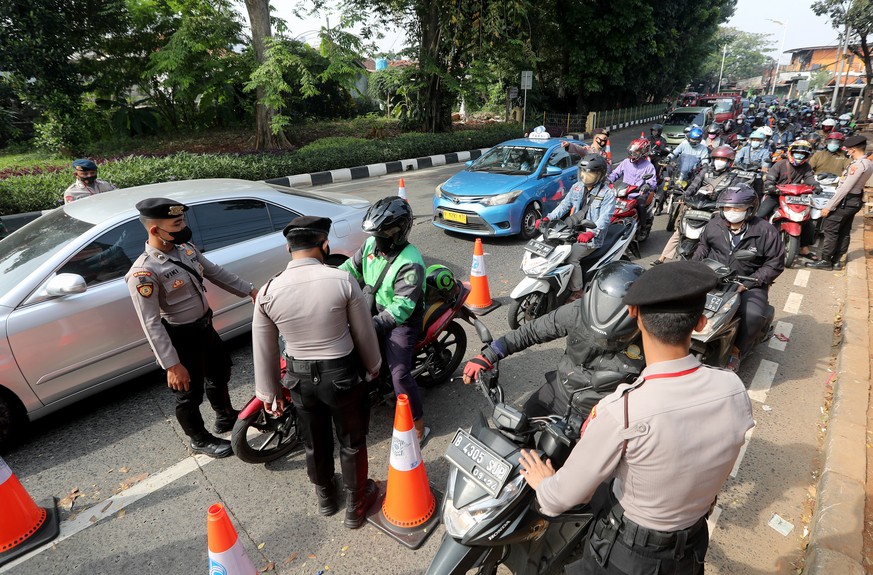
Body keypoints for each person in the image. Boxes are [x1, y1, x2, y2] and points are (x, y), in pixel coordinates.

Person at [517, 260, 755, 575]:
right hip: (693, 545)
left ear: (634, 315)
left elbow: (559, 499)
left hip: (628, 554)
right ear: (699, 323)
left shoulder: (623, 411)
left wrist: (544, 482)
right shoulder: (733, 389)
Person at [251, 216, 382, 528]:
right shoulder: (340, 280)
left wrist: (269, 394)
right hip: (341, 375)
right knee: (352, 440)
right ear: (324, 245)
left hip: (298, 379)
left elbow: (264, 347)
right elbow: (363, 333)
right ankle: (355, 505)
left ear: (288, 248)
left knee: (313, 441)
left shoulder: (269, 290)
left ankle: (325, 497)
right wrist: (374, 367)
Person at [125, 198, 258, 458]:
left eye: (182, 220)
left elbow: (215, 272)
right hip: (180, 338)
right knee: (188, 393)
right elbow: (150, 323)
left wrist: (251, 291)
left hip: (205, 328)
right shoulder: (144, 273)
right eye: (177, 223)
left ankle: (224, 415)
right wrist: (172, 365)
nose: (184, 226)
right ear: (155, 230)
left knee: (220, 372)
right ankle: (199, 439)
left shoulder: (185, 249)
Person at [462, 261, 646, 420]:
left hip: (603, 413)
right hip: (560, 390)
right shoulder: (576, 311)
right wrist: (489, 355)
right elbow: (531, 331)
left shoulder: (655, 337)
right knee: (517, 426)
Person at [339, 197, 429, 443]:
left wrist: (372, 326)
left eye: (382, 233)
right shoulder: (370, 245)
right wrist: (326, 282)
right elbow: (349, 269)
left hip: (402, 321)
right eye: (375, 233)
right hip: (371, 309)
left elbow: (402, 307)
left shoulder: (410, 262)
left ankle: (419, 423)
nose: (377, 238)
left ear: (397, 232)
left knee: (399, 374)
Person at [692, 185, 784, 372]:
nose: (730, 213)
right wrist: (693, 266)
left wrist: (750, 282)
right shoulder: (714, 224)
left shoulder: (766, 231)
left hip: (748, 282)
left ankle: (736, 350)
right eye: (726, 208)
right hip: (713, 276)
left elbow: (774, 263)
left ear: (750, 209)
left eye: (736, 209)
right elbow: (703, 247)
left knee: (753, 314)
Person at [536, 153, 617, 303]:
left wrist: (591, 233)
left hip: (592, 237)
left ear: (600, 174)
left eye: (590, 173)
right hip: (572, 230)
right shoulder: (577, 187)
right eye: (582, 172)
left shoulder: (607, 194)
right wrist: (548, 218)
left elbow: (604, 219)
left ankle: (577, 290)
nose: (585, 176)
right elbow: (564, 206)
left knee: (572, 257)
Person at [653, 146, 744, 265]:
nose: (719, 162)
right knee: (680, 228)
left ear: (729, 162)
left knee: (721, 232)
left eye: (723, 159)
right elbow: (693, 186)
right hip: (697, 205)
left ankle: (722, 262)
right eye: (717, 158)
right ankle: (662, 258)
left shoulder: (733, 178)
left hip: (716, 209)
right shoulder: (705, 171)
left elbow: (732, 195)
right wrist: (685, 196)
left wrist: (721, 201)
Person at [807, 134, 873, 271]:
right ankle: (836, 261)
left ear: (854, 149)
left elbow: (845, 188)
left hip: (845, 200)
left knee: (831, 231)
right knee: (844, 231)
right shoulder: (867, 163)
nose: (847, 151)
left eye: (848, 149)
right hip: (854, 201)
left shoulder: (857, 165)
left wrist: (829, 207)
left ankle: (826, 261)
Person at [762, 139, 821, 260]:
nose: (799, 156)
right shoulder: (781, 164)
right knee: (760, 215)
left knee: (807, 221)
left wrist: (816, 186)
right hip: (776, 194)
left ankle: (804, 248)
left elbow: (809, 178)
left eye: (803, 154)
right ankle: (756, 243)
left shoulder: (806, 166)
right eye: (797, 153)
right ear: (791, 152)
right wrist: (770, 186)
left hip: (796, 197)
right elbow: (770, 178)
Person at [608, 138, 657, 230]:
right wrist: (608, 180)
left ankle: (643, 227)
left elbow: (652, 182)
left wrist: (647, 186)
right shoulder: (626, 162)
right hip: (623, 192)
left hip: (639, 194)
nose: (633, 153)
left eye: (637, 151)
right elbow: (616, 173)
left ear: (643, 151)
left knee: (641, 206)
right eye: (632, 150)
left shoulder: (649, 166)